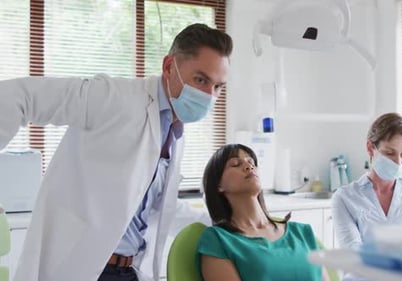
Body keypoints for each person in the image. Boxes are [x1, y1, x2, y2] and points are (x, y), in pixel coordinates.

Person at [0, 23, 232, 281]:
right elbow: (19, 97)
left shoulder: (172, 129)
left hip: (127, 269)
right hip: (83, 267)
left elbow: (157, 206)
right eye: (201, 80)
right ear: (168, 67)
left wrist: (226, 224)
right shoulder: (114, 97)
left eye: (218, 87)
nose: (208, 96)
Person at [196, 143, 331, 281]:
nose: (249, 166)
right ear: (219, 185)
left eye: (251, 162)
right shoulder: (218, 241)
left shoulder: (302, 233)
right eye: (236, 164)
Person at [331, 112, 402, 251]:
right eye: (389, 153)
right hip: (362, 273)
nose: (398, 162)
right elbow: (353, 253)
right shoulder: (345, 198)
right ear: (370, 148)